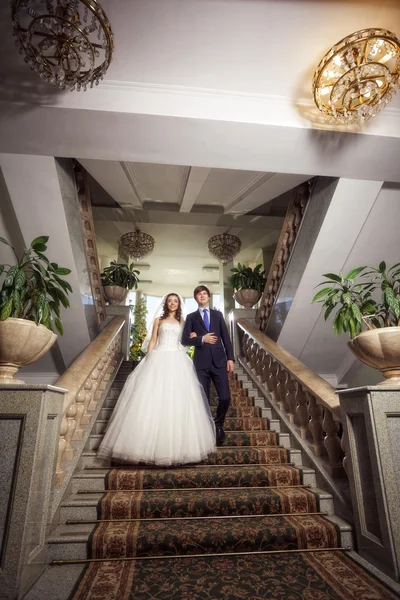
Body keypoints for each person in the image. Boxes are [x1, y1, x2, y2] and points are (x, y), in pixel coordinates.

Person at [97, 293, 216, 466]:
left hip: (177, 359)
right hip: (159, 356)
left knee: (177, 402)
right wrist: (149, 357)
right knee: (151, 399)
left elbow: (185, 341)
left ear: (178, 304)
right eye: (170, 301)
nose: (173, 303)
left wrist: (193, 338)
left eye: (175, 301)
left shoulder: (184, 322)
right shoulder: (158, 321)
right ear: (166, 303)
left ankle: (180, 449)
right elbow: (153, 340)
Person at [182, 286, 234, 445]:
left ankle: (218, 423)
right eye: (199, 294)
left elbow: (226, 338)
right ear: (195, 298)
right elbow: (184, 340)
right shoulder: (191, 317)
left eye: (204, 293)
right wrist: (201, 339)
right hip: (200, 363)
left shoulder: (218, 315)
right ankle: (206, 428)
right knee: (203, 399)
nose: (202, 295)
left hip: (219, 362)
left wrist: (230, 359)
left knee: (225, 397)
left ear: (208, 297)